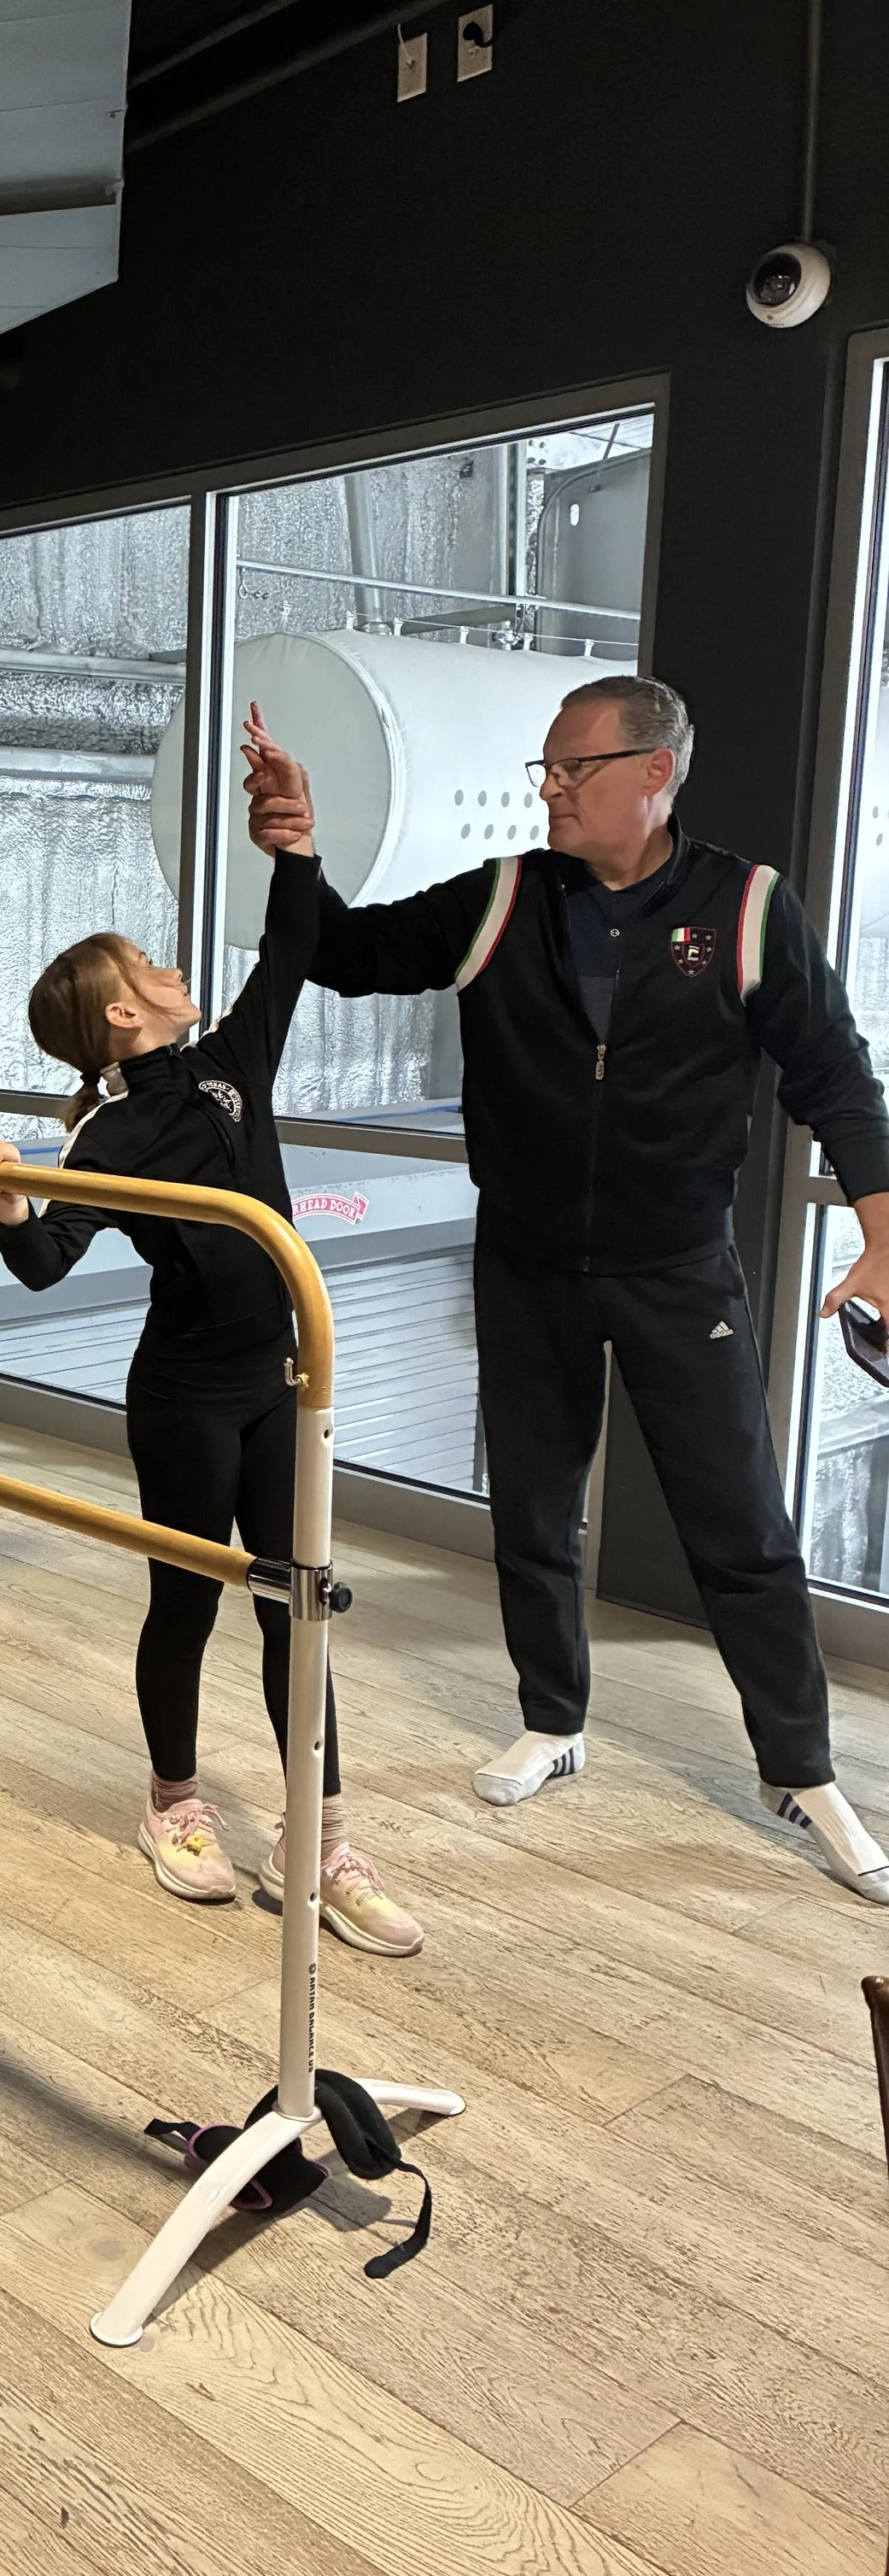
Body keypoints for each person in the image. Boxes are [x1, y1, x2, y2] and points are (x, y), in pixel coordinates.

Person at [245, 675, 889, 1904]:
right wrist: (299, 848)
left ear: (654, 773)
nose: (546, 787)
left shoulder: (749, 908)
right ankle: (554, 1717)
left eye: (570, 767)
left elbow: (836, 1078)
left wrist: (883, 1230)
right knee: (535, 1510)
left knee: (740, 1526)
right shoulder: (506, 897)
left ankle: (799, 1770)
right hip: (527, 1258)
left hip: (675, 1265)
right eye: (545, 767)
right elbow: (345, 952)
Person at [0, 823, 424, 1956]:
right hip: (183, 1396)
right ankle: (172, 1801)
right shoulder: (107, 1129)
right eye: (149, 968)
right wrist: (10, 1196)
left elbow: (293, 941)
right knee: (189, 1601)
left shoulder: (228, 1065)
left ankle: (317, 1838)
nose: (176, 973)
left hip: (282, 1384)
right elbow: (42, 1261)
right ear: (123, 1012)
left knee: (294, 1602)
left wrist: (300, 845)